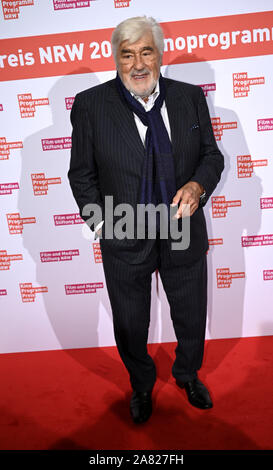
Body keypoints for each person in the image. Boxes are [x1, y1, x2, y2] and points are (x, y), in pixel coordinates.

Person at [68, 16, 224, 424]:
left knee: (190, 315)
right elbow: (81, 175)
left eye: (146, 51)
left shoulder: (190, 97)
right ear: (116, 59)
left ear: (159, 54)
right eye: (127, 54)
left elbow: (212, 156)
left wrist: (197, 187)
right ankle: (141, 383)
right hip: (124, 235)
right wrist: (102, 225)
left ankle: (188, 374)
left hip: (182, 228)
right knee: (130, 322)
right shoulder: (90, 105)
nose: (138, 63)